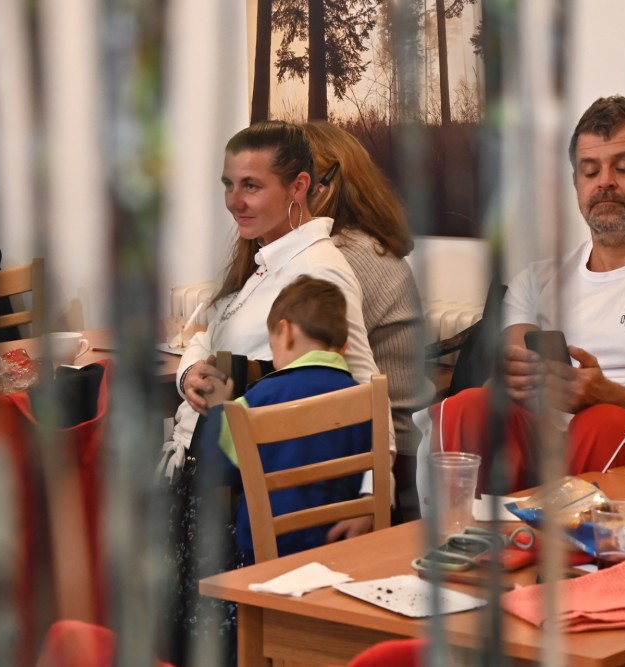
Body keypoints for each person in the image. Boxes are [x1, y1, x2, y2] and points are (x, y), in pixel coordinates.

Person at [426, 95, 625, 492]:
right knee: (466, 407)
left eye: (623, 168)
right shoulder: (536, 282)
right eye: (590, 170)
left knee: (599, 423)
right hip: (545, 443)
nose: (605, 182)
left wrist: (607, 394)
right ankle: (467, 529)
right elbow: (509, 383)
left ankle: (585, 530)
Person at [161, 120, 390, 539]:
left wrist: (371, 497)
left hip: (239, 496)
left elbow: (365, 390)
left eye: (251, 186)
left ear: (298, 186)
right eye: (228, 184)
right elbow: (207, 336)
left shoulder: (318, 270)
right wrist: (189, 372)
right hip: (200, 474)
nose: (234, 201)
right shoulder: (268, 260)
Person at [302, 121, 434, 521]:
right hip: (380, 433)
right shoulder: (355, 244)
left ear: (325, 186)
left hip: (390, 451)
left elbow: (306, 360)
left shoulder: (346, 254)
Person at [197, 275, 372, 562]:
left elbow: (214, 469)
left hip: (269, 558)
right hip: (340, 550)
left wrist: (219, 409)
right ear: (344, 347)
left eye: (272, 344)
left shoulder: (258, 400)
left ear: (285, 332)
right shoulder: (363, 399)